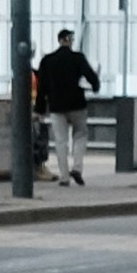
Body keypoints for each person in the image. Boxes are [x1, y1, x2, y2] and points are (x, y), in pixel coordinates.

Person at [25, 29, 100, 196]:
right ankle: (77, 168)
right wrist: (95, 86)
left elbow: (42, 88)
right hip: (77, 104)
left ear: (59, 40)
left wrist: (39, 109)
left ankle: (64, 177)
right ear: (69, 40)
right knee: (80, 135)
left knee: (61, 141)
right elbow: (91, 76)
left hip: (56, 106)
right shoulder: (78, 58)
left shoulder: (47, 61)